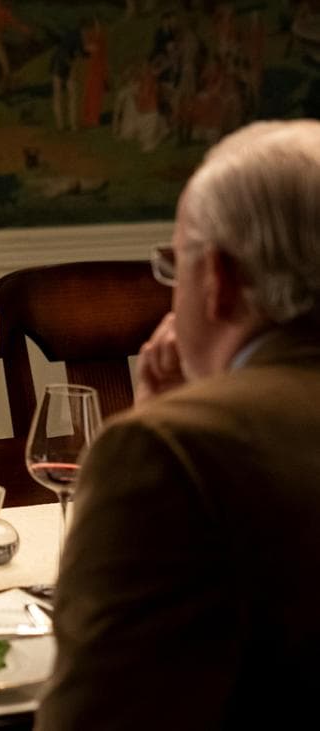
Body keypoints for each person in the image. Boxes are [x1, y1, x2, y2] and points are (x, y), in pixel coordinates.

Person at [37, 120, 320, 727]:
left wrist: (158, 420)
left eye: (174, 265)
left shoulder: (167, 450)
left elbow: (88, 715)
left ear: (218, 278)